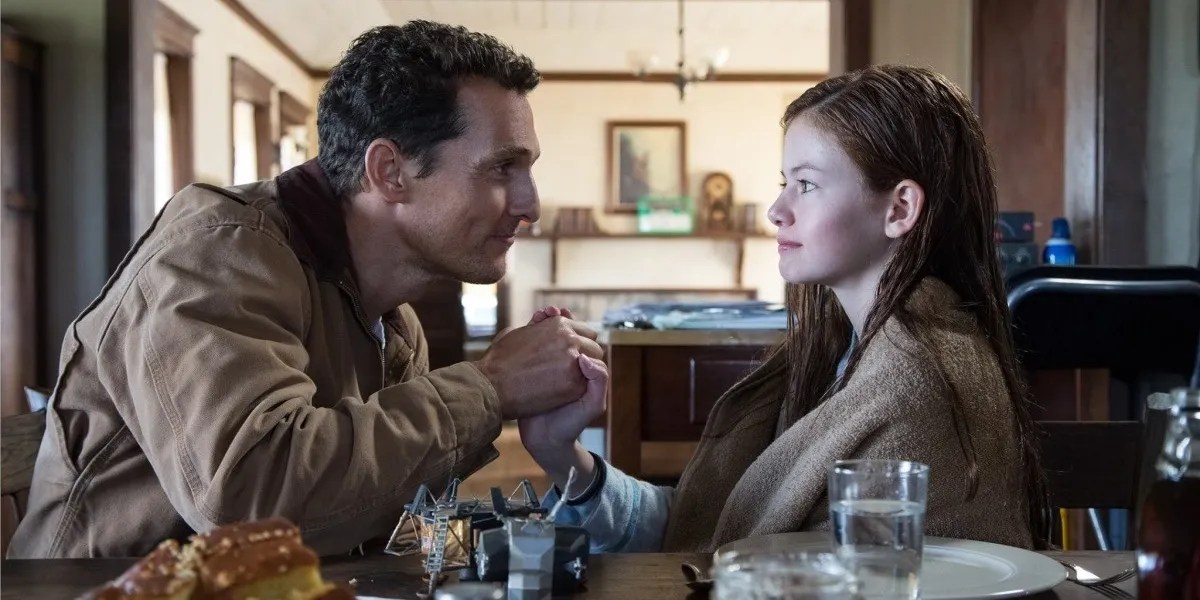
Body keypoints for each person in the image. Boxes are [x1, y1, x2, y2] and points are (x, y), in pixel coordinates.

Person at [9, 22, 608, 558]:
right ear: (389, 172)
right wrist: (493, 386)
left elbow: (360, 514)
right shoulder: (217, 254)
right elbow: (251, 502)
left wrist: (560, 463)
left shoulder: (396, 323)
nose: (530, 204)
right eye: (502, 167)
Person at [522, 65, 1047, 553]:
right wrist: (560, 453)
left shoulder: (912, 382)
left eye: (807, 184)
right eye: (784, 183)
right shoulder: (843, 352)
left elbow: (836, 575)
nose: (777, 210)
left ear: (900, 208)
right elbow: (705, 523)